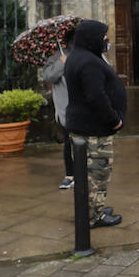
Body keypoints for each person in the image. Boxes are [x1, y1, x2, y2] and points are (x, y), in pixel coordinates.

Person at [64, 19, 125, 228]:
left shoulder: (77, 57)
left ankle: (92, 209)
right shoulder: (89, 62)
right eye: (103, 36)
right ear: (92, 38)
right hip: (93, 130)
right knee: (97, 174)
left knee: (86, 174)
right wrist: (114, 119)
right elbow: (96, 96)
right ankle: (93, 217)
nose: (106, 39)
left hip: (81, 126)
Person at [40, 41, 76, 190]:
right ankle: (70, 175)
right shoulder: (56, 57)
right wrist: (62, 64)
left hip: (84, 105)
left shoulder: (85, 53)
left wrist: (70, 63)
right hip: (66, 107)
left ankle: (86, 172)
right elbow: (48, 76)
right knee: (68, 141)